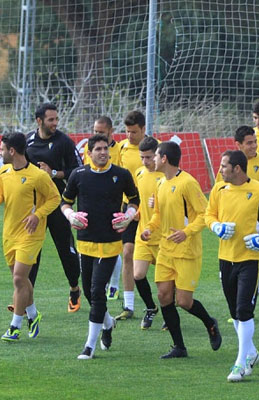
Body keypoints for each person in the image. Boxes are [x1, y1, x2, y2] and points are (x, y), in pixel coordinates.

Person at [206, 150, 259, 381]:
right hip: (225, 259)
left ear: (237, 168)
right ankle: (251, 353)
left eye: (224, 166)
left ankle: (240, 364)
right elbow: (208, 215)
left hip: (250, 261)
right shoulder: (219, 190)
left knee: (244, 310)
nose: (220, 170)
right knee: (234, 313)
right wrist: (216, 228)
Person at [61, 134, 139, 359]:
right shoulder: (79, 175)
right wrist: (71, 215)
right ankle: (107, 323)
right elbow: (64, 202)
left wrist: (128, 215)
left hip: (110, 243)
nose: (103, 152)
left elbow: (135, 199)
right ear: (89, 152)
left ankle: (89, 346)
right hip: (85, 243)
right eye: (98, 149)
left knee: (97, 291)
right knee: (89, 293)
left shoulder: (121, 175)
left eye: (106, 148)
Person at [140, 141, 221, 358]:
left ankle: (210, 323)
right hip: (166, 249)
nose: (152, 160)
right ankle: (179, 347)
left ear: (164, 158)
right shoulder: (161, 183)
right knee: (164, 296)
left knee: (183, 301)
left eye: (155, 156)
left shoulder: (187, 183)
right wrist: (149, 229)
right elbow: (157, 214)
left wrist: (186, 232)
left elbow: (204, 214)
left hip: (186, 251)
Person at [215, 126, 259, 306]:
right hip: (234, 229)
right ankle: (242, 309)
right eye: (249, 143)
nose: (254, 145)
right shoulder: (226, 169)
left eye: (255, 141)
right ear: (238, 145)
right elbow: (221, 193)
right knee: (244, 270)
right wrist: (218, 224)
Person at [0, 133, 60, 342]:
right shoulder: (4, 172)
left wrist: (38, 215)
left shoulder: (38, 176)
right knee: (22, 280)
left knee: (18, 278)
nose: (1, 152)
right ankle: (33, 315)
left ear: (12, 151)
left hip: (31, 235)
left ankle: (15, 327)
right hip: (9, 234)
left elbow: (55, 198)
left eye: (2, 149)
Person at [25, 103, 82, 312]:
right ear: (39, 121)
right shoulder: (27, 141)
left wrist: (54, 173)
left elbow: (78, 169)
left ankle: (75, 288)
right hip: (33, 207)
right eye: (51, 120)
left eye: (56, 119)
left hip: (57, 203)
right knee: (31, 253)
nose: (55, 123)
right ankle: (24, 298)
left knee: (65, 250)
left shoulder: (64, 142)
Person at [84, 116, 123, 301]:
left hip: (115, 204)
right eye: (95, 131)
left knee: (113, 245)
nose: (97, 134)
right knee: (98, 246)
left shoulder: (119, 149)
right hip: (94, 203)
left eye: (101, 132)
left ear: (110, 131)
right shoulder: (88, 148)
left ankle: (114, 284)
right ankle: (104, 283)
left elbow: (122, 177)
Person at [115, 111, 147, 320]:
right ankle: (128, 306)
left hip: (152, 210)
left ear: (143, 129)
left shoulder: (156, 147)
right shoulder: (121, 149)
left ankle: (164, 303)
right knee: (127, 253)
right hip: (129, 208)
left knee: (158, 258)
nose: (129, 135)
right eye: (127, 131)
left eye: (134, 132)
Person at [132, 136, 164, 329]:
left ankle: (170, 313)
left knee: (166, 283)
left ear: (159, 155)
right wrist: (136, 213)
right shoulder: (139, 173)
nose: (145, 161)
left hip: (164, 238)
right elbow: (141, 201)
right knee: (138, 275)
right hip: (143, 234)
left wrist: (159, 201)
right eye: (142, 157)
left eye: (149, 157)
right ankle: (151, 308)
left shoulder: (166, 176)